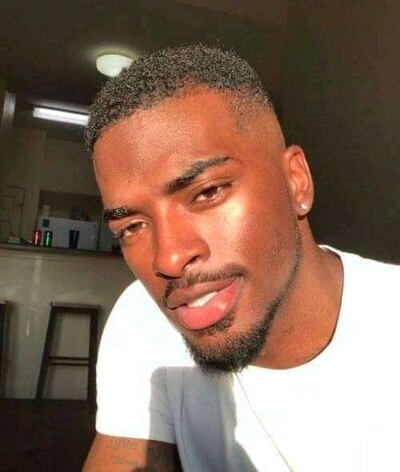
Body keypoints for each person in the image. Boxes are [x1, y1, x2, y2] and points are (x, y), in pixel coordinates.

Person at [83, 45, 400, 472]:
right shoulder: (144, 317)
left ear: (296, 182)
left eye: (208, 192)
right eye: (131, 227)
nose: (169, 259)